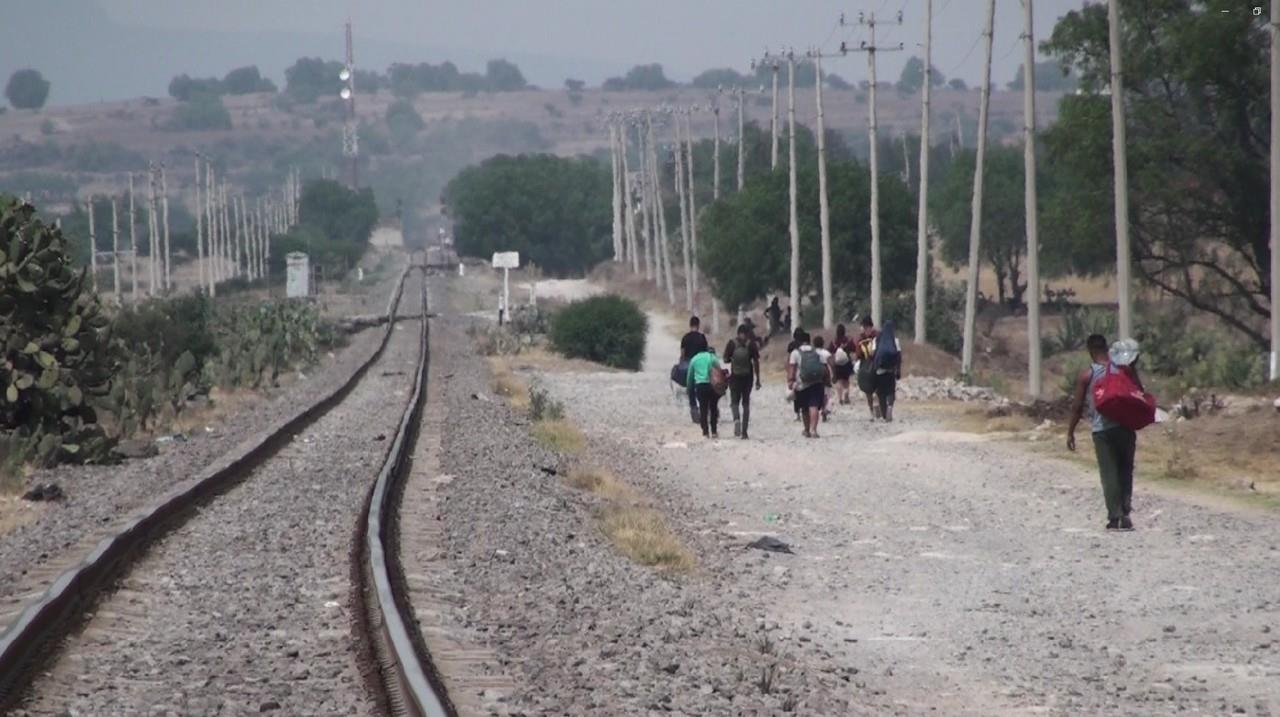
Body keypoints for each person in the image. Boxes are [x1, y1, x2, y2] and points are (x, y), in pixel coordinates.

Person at [1067, 334, 1142, 531]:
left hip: (1102, 431)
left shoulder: (1087, 375)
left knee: (1109, 474)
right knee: (1125, 471)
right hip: (1126, 428)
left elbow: (1077, 407)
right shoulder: (1123, 369)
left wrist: (1070, 432)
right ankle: (1126, 514)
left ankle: (1114, 517)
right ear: (1107, 348)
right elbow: (1139, 392)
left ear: (1090, 350)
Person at [787, 329, 830, 438]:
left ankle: (806, 430)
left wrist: (791, 381)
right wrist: (827, 381)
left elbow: (792, 368)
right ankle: (814, 430)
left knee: (805, 408)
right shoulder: (817, 351)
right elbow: (824, 368)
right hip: (817, 382)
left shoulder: (795, 353)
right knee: (814, 405)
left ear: (799, 341)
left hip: (802, 384)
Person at [723, 324, 762, 439]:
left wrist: (731, 359)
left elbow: (725, 359)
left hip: (735, 377)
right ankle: (744, 432)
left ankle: (736, 420)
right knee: (746, 403)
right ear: (748, 333)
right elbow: (756, 362)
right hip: (748, 378)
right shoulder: (751, 344)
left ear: (738, 333)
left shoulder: (732, 344)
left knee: (734, 401)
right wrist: (758, 379)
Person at [686, 345, 723, 438]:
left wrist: (689, 387)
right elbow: (719, 371)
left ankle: (705, 432)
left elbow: (690, 376)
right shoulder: (712, 357)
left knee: (703, 409)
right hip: (712, 385)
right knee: (713, 408)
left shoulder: (694, 359)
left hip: (700, 386)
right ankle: (714, 431)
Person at [870, 320, 902, 422]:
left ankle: (884, 414)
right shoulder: (895, 340)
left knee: (881, 393)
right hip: (891, 370)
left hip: (879, 370)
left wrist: (874, 367)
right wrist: (898, 370)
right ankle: (890, 407)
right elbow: (899, 357)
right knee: (891, 390)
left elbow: (873, 355)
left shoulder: (877, 339)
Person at [679, 316, 709, 425]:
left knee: (690, 387)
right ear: (698, 325)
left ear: (690, 325)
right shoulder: (702, 338)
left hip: (688, 364)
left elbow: (682, 354)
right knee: (702, 386)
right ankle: (704, 408)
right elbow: (706, 353)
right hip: (700, 364)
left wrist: (680, 365)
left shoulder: (685, 338)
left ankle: (693, 409)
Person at [854, 316, 880, 420]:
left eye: (865, 327)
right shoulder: (878, 336)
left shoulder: (861, 339)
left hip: (865, 366)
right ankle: (875, 407)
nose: (866, 330)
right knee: (875, 388)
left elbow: (858, 355)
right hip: (875, 364)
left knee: (869, 390)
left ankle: (872, 411)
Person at [829, 323, 855, 406]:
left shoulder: (834, 341)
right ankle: (846, 395)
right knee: (846, 380)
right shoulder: (848, 340)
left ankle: (840, 398)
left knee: (839, 381)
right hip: (847, 363)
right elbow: (853, 349)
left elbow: (830, 351)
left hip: (838, 363)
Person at [812, 336, 834, 422]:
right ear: (823, 343)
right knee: (826, 393)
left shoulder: (812, 353)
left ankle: (817, 409)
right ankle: (824, 410)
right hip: (825, 373)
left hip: (815, 373)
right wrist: (834, 374)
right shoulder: (826, 353)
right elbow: (832, 364)